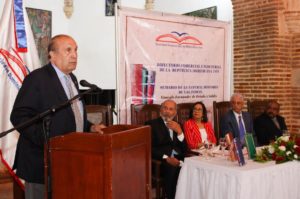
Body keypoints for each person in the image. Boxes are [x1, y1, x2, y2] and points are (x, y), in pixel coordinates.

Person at [10, 34, 105, 199]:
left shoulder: (72, 79)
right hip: (42, 162)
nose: (74, 55)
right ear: (52, 55)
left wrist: (90, 127)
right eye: (68, 50)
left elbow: (73, 115)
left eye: (75, 50)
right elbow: (19, 116)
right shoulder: (37, 78)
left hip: (68, 159)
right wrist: (46, 140)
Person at [145, 99, 187, 199]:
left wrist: (180, 132)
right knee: (172, 167)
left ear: (175, 112)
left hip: (178, 158)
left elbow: (185, 149)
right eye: (165, 108)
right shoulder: (151, 124)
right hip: (160, 161)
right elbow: (149, 148)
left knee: (193, 167)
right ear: (161, 109)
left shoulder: (178, 125)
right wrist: (167, 158)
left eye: (171, 109)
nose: (167, 111)